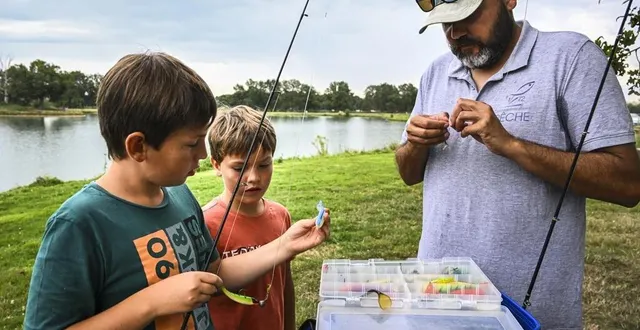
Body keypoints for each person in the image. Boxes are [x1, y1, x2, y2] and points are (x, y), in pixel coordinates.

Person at [23, 52, 331, 330]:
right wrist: (151, 303)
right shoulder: (79, 224)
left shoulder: (181, 198)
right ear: (138, 146)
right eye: (191, 142)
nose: (201, 153)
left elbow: (215, 269)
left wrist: (283, 246)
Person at [395, 0, 640, 329]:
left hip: (531, 313)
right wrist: (415, 144)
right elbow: (408, 174)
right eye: (445, 23)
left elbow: (627, 184)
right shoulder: (436, 72)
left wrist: (512, 145)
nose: (455, 33)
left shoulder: (571, 57)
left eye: (467, 16)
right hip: (434, 303)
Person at [201, 105, 296, 330]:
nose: (254, 178)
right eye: (239, 168)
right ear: (216, 164)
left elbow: (285, 284)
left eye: (264, 164)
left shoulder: (281, 215)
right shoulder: (205, 224)